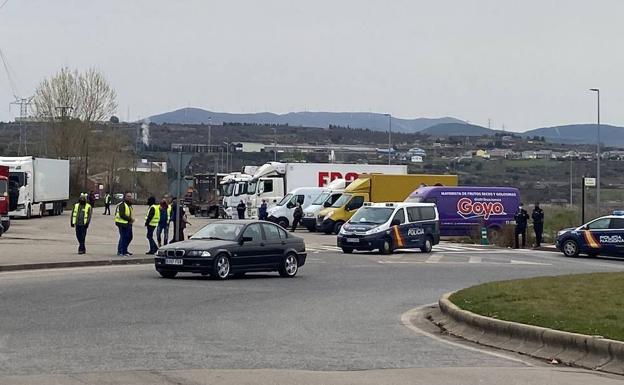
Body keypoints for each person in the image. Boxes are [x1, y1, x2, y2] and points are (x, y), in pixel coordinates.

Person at [114, 191, 135, 256]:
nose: (129, 197)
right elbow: (122, 214)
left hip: (128, 223)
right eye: (128, 196)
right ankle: (121, 251)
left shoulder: (129, 205)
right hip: (122, 223)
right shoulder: (122, 205)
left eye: (130, 196)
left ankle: (124, 250)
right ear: (125, 197)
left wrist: (131, 220)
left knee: (129, 237)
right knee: (123, 237)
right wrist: (130, 219)